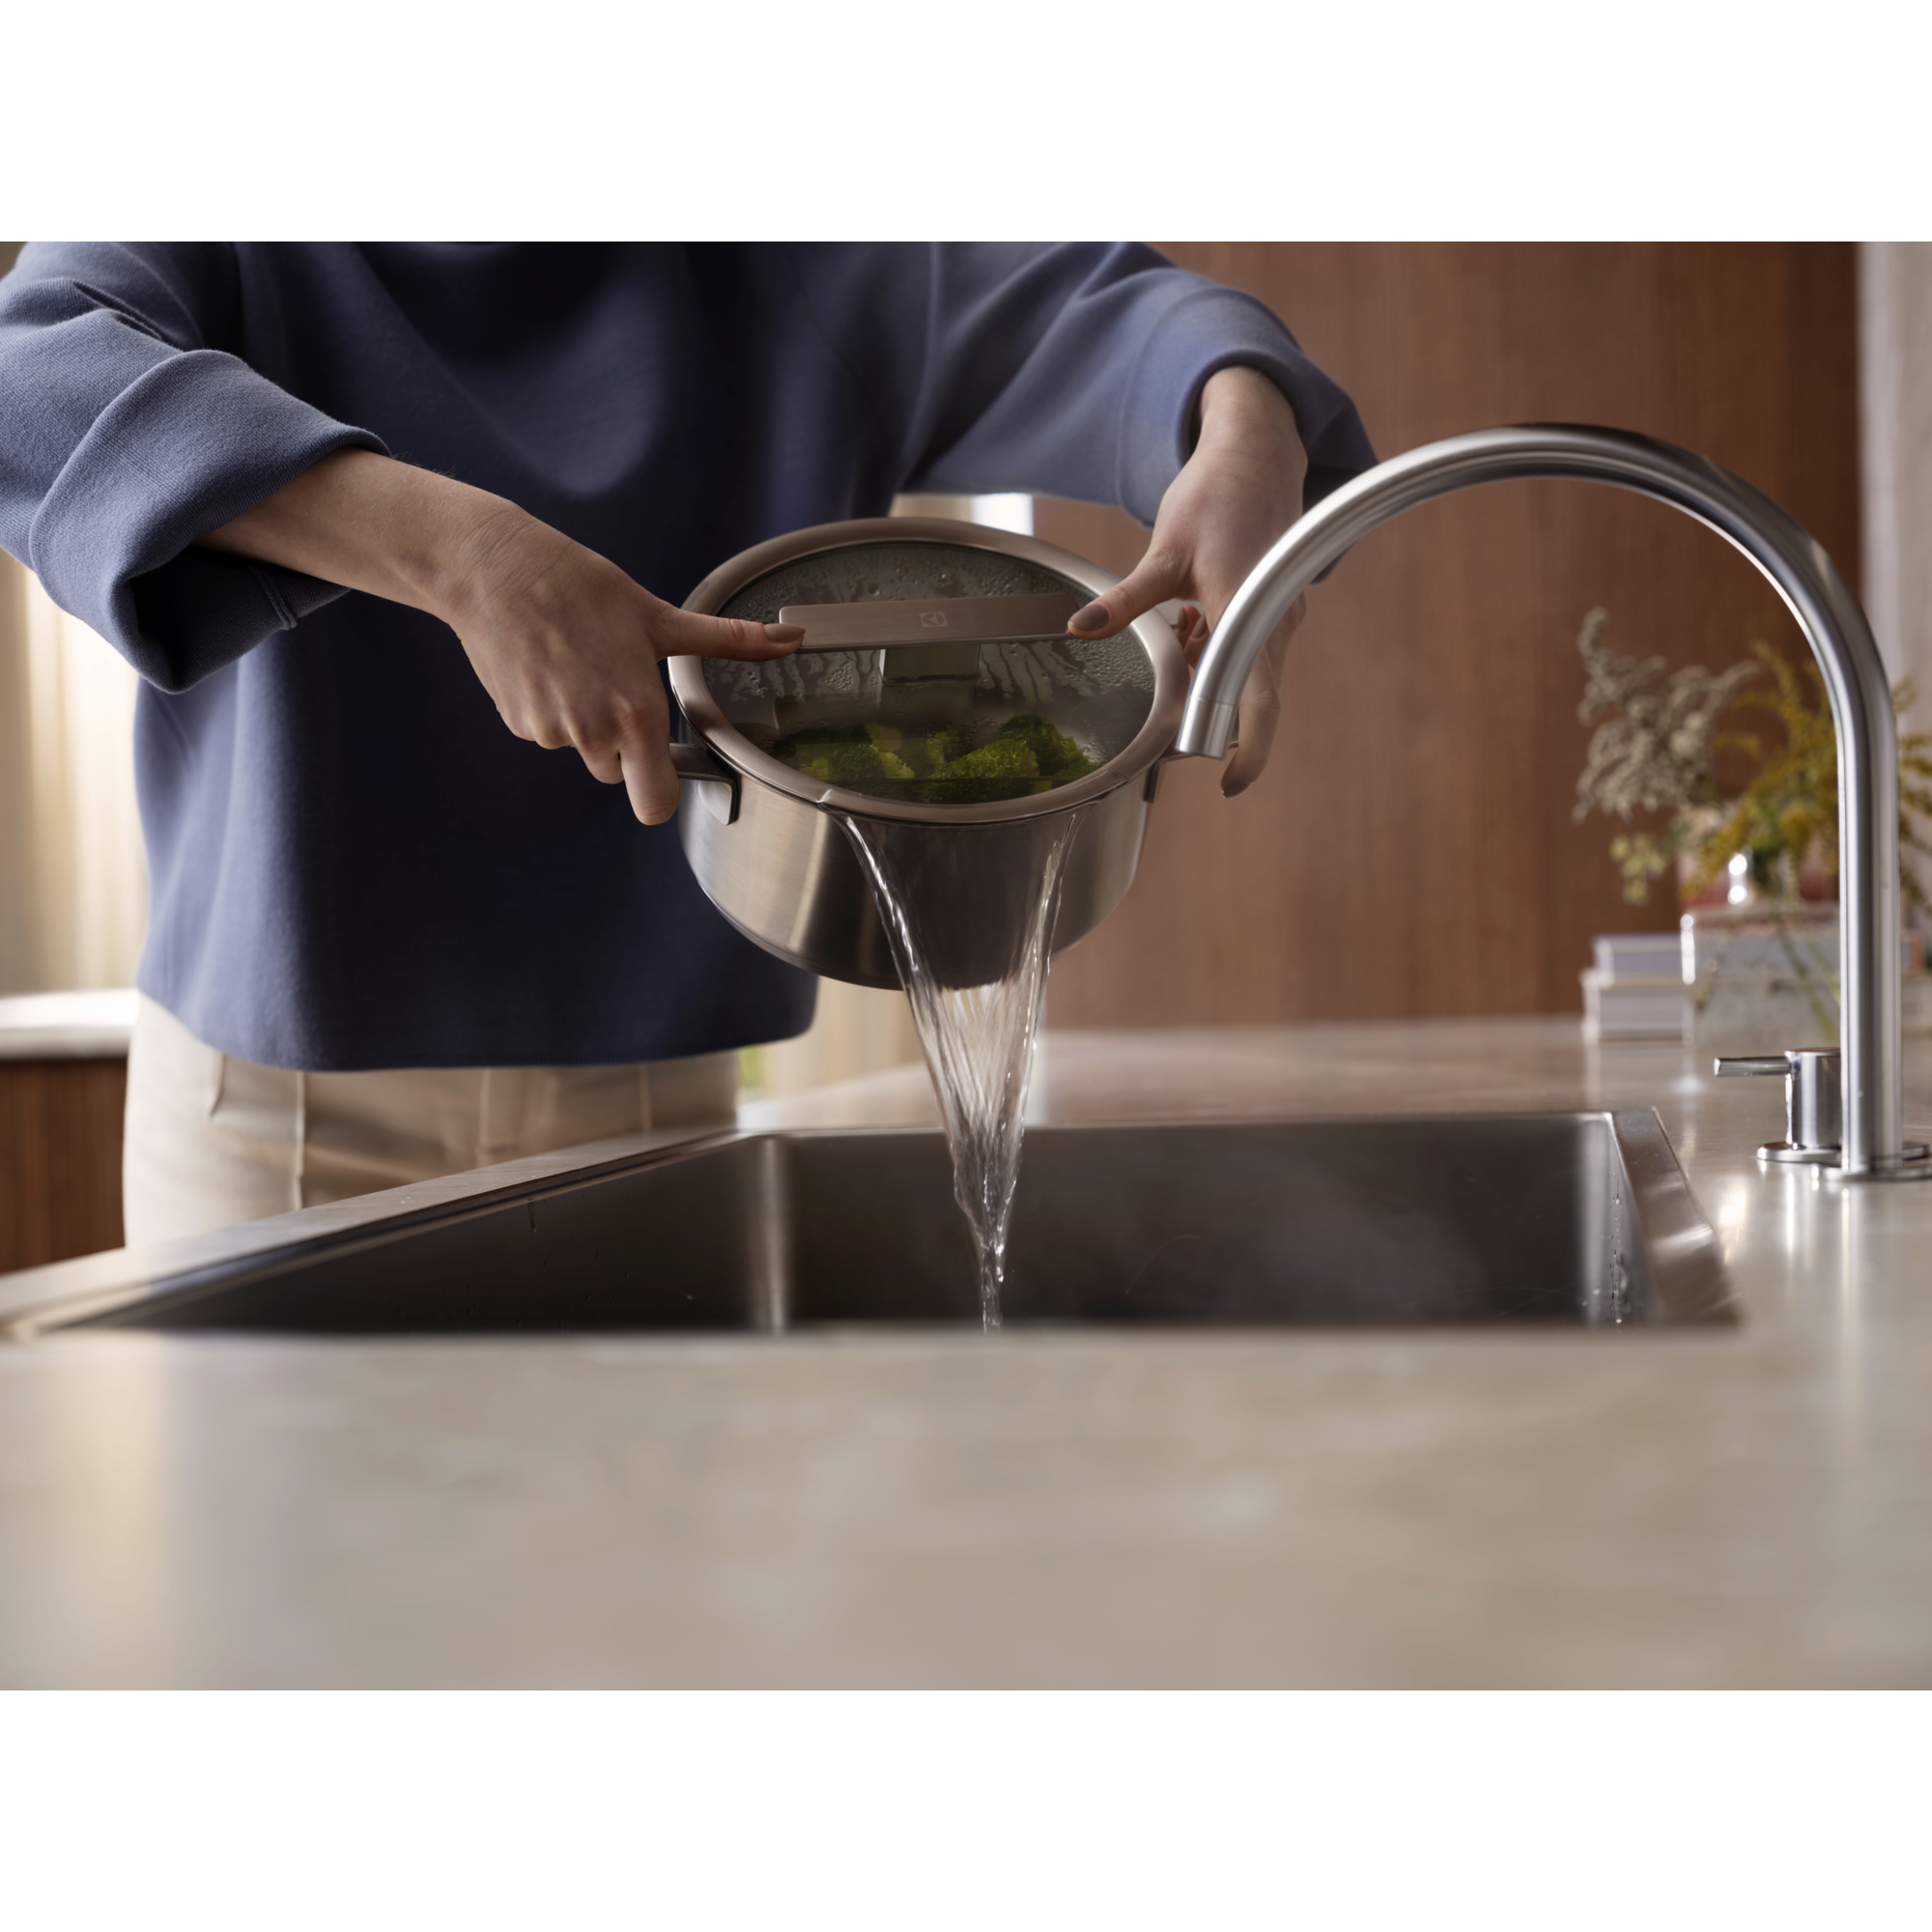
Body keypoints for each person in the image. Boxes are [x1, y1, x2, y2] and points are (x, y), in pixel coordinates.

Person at [0, 242, 1374, 1242]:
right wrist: (460, 552)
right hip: (273, 1120)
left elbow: (1126, 320)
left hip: (653, 1103)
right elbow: (26, 376)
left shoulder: (801, 272)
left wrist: (1242, 420)